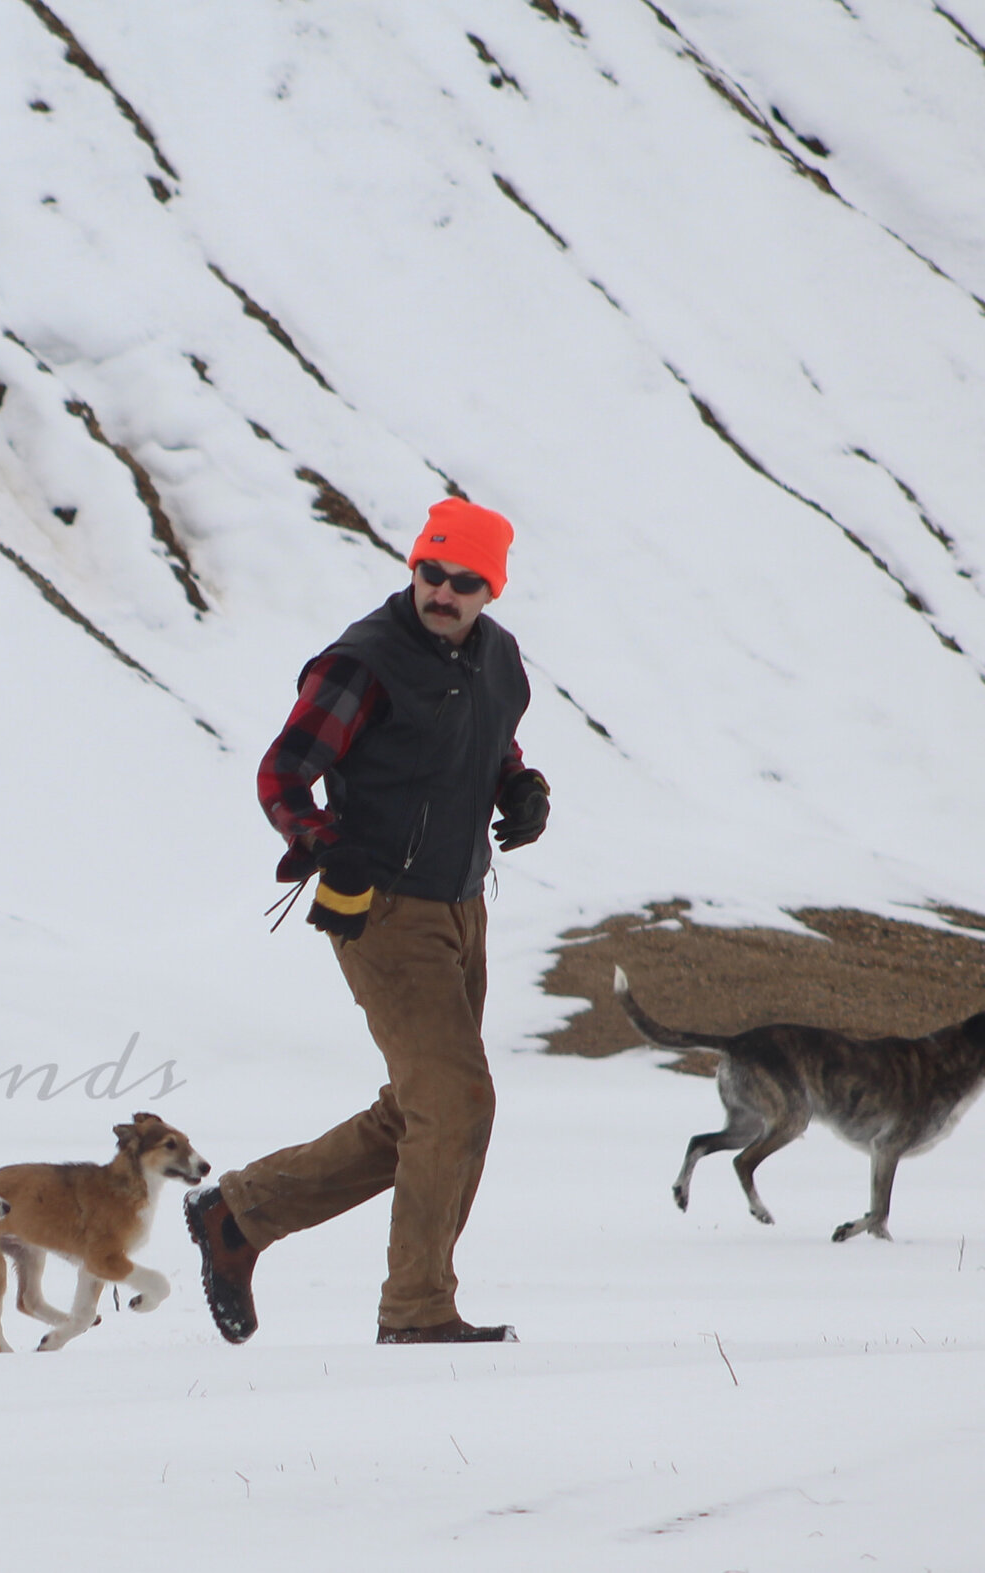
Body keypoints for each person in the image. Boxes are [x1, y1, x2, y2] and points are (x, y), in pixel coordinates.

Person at [186, 497, 549, 1345]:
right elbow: (283, 773)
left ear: (490, 590)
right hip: (382, 908)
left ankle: (237, 1214)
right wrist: (322, 845)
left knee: (426, 1109)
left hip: (463, 904)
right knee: (456, 1102)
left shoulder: (498, 661)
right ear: (413, 567)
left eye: (465, 581)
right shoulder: (365, 663)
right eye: (431, 573)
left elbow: (489, 743)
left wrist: (520, 790)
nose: (443, 592)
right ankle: (417, 1310)